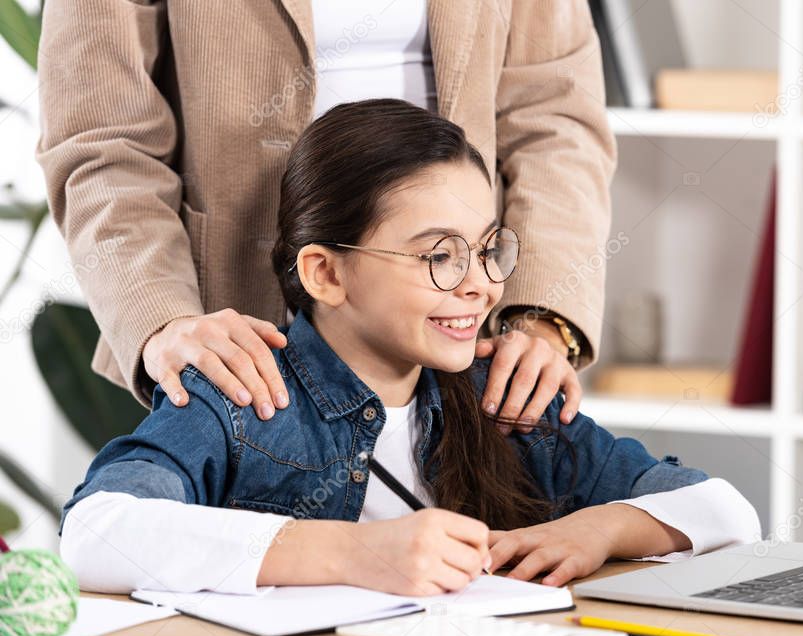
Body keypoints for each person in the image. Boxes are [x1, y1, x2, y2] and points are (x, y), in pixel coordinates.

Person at [58, 100, 760, 596]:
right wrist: (352, 553)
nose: (481, 286)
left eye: (488, 250)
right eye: (438, 257)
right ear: (325, 272)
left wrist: (600, 529)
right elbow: (96, 532)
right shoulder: (247, 394)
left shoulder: (498, 398)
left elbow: (726, 512)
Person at [36, 0, 616, 430]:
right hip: (233, 338)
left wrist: (541, 314)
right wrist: (164, 319)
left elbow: (556, 119)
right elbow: (103, 142)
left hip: (461, 336)